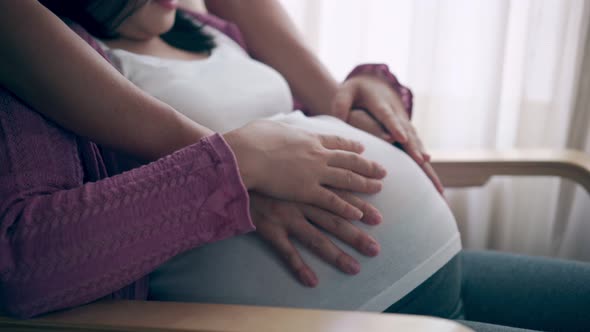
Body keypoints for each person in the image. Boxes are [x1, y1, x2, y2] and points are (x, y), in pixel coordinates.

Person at [0, 1, 588, 331]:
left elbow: (302, 125)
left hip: (437, 274)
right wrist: (235, 166)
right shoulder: (47, 69)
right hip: (332, 317)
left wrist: (366, 88)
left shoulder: (206, 27)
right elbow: (25, 265)